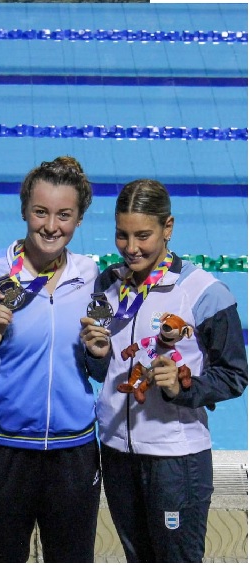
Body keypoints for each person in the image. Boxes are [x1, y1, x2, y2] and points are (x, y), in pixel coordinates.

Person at [80, 179, 247, 563]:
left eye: (143, 235)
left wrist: (182, 387)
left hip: (176, 459)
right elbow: (101, 370)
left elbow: (235, 374)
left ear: (167, 228)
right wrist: (97, 354)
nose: (131, 248)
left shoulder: (204, 292)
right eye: (122, 235)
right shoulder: (107, 286)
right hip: (117, 452)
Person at [0, 156, 100, 562]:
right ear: (24, 211)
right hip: (4, 452)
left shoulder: (92, 276)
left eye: (64, 215)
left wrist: (100, 354)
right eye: (41, 212)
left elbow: (100, 367)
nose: (51, 226)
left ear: (79, 219)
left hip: (74, 452)